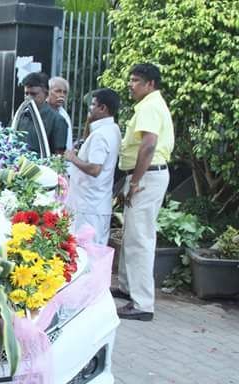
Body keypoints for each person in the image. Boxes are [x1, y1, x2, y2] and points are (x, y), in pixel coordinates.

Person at [112, 63, 174, 322]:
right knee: (131, 235)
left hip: (146, 176)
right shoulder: (150, 104)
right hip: (144, 176)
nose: (131, 84)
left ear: (150, 84)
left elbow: (148, 145)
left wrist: (135, 182)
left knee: (140, 239)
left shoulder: (149, 106)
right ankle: (128, 288)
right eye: (131, 79)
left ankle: (142, 303)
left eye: (136, 80)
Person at [64, 88, 122, 245]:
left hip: (88, 206)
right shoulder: (113, 129)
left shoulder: (101, 135)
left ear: (103, 108)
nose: (90, 108)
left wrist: (73, 158)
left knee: (87, 252)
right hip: (94, 204)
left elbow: (95, 169)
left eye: (93, 105)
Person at [0, 72, 67, 156]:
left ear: (46, 94)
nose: (28, 98)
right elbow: (3, 140)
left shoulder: (57, 120)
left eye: (33, 94)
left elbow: (59, 159)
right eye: (26, 93)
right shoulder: (20, 116)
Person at [48, 76, 73, 153]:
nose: (62, 95)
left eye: (64, 92)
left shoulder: (64, 114)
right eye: (58, 91)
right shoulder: (40, 112)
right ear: (48, 91)